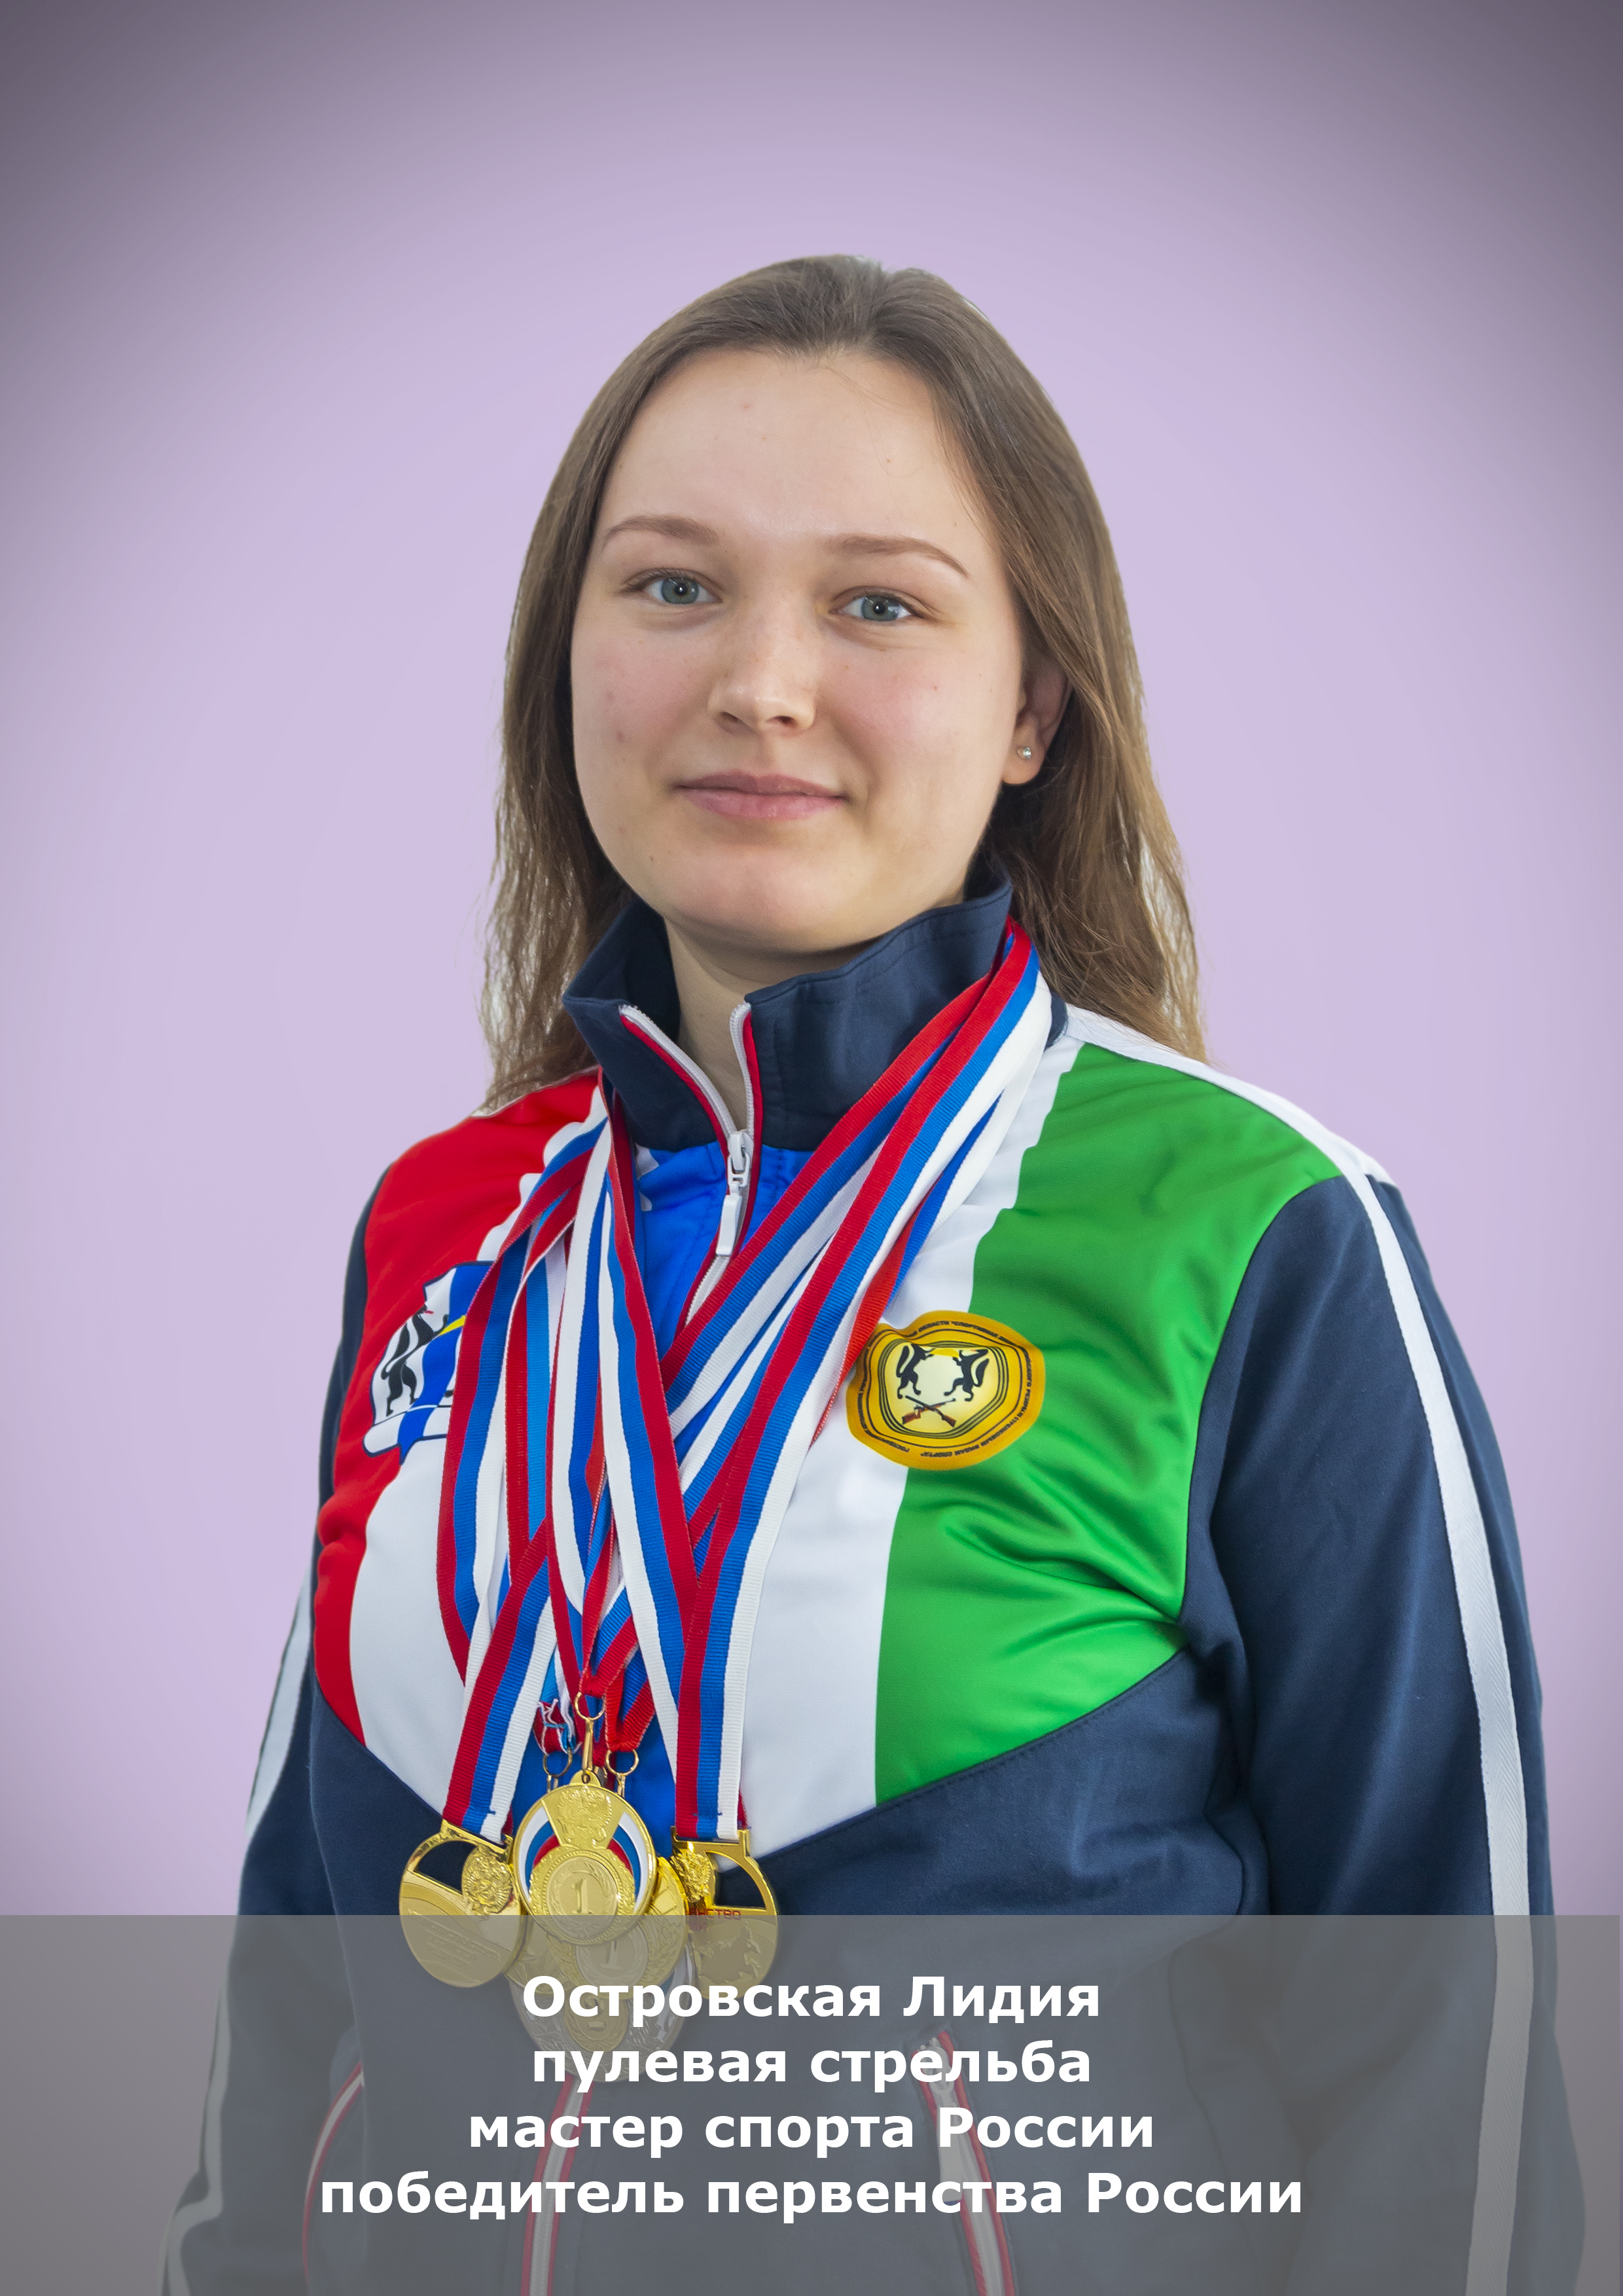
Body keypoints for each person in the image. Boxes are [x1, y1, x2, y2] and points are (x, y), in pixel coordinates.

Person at [168, 255, 1554, 2289]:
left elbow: (1447, 2055)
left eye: (879, 603)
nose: (760, 681)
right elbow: (294, 1972)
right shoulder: (441, 1228)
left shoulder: (1257, 1229)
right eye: (672, 585)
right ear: (567, 656)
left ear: (1033, 707)